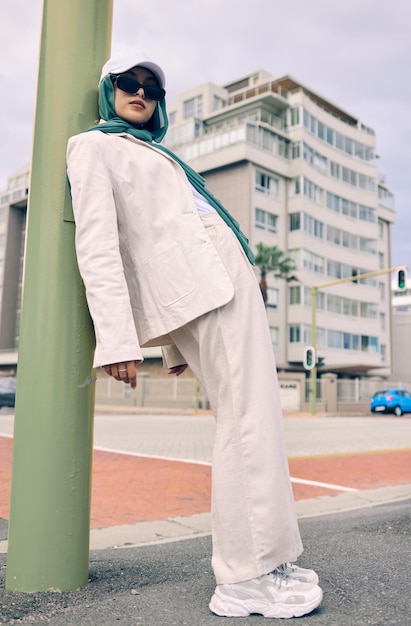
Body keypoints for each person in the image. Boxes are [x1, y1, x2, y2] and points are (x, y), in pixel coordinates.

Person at [66, 50, 323, 619]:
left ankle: (270, 559)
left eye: (151, 88)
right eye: (127, 84)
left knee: (257, 418)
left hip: (219, 285)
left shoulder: (155, 152)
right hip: (209, 290)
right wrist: (117, 338)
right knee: (246, 420)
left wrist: (180, 339)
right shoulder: (93, 147)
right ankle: (244, 577)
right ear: (108, 91)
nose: (141, 93)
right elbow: (101, 247)